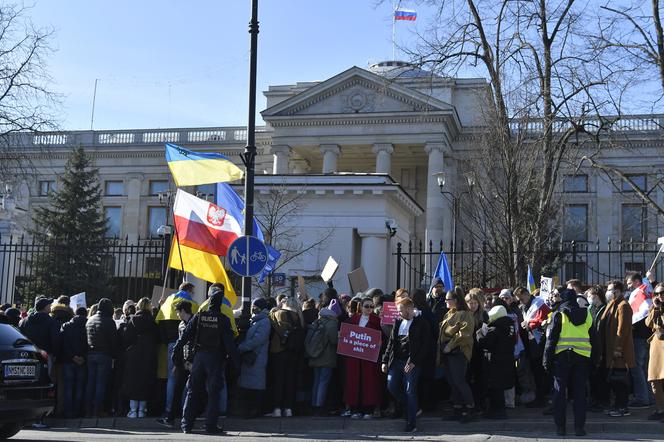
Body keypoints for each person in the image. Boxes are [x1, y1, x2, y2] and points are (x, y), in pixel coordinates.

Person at [174, 287, 238, 434]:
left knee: (192, 391)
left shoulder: (199, 316)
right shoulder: (223, 319)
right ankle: (210, 425)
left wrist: (177, 354)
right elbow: (230, 345)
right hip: (214, 359)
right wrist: (236, 363)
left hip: (199, 358)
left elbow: (185, 336)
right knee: (213, 393)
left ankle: (186, 425)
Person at [543, 289, 592, 437]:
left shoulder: (559, 314)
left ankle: (561, 428)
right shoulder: (587, 314)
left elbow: (551, 340)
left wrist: (547, 360)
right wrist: (595, 360)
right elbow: (594, 338)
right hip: (582, 357)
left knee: (559, 393)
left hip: (562, 357)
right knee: (579, 393)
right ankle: (579, 428)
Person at [383, 297, 431, 433]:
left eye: (401, 310)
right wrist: (385, 360)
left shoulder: (421, 322)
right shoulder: (397, 322)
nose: (399, 313)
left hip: (412, 362)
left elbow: (425, 345)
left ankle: (411, 422)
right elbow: (391, 342)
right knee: (391, 385)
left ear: (410, 308)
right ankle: (413, 408)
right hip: (396, 361)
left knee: (410, 390)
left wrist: (414, 362)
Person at [155, 282, 199, 421]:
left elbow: (159, 323)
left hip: (171, 345)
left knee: (172, 379)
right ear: (189, 291)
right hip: (187, 349)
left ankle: (169, 410)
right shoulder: (193, 305)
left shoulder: (168, 302)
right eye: (193, 292)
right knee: (187, 381)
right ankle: (184, 410)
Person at [438, 289, 475, 422]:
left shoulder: (465, 314)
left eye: (448, 299)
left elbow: (465, 334)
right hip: (447, 353)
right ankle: (458, 407)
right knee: (453, 382)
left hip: (458, 352)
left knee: (459, 381)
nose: (446, 301)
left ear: (456, 300)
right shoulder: (450, 313)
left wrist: (450, 346)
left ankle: (470, 408)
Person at [600, 280, 635, 417]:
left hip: (619, 351)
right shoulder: (612, 304)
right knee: (615, 380)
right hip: (610, 350)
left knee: (620, 380)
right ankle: (617, 405)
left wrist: (618, 348)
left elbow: (622, 330)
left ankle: (623, 407)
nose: (607, 292)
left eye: (610, 290)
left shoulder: (623, 306)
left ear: (617, 291)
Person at [344, 296, 382, 419]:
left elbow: (383, 337)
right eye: (366, 306)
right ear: (361, 307)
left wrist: (380, 342)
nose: (369, 309)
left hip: (369, 358)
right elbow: (346, 335)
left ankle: (368, 410)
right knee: (355, 382)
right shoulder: (353, 319)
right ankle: (355, 409)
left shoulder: (377, 321)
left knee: (369, 383)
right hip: (354, 357)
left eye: (372, 306)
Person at [120, 297, 158, 418]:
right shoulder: (153, 321)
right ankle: (142, 410)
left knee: (133, 381)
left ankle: (132, 410)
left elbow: (126, 338)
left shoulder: (133, 320)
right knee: (145, 381)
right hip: (149, 354)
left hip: (134, 354)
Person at [158, 300, 194, 427]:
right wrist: (177, 364)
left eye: (178, 312)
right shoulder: (181, 325)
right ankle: (172, 417)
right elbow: (180, 345)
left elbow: (194, 345)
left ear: (183, 311)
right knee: (178, 390)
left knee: (191, 390)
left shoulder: (194, 323)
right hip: (183, 363)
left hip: (191, 363)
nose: (177, 314)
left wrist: (190, 361)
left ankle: (185, 417)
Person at [268, 296, 305, 417]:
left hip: (279, 350)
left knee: (279, 380)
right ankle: (288, 409)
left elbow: (271, 318)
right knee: (290, 381)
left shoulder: (280, 313)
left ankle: (277, 409)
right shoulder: (299, 317)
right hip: (293, 352)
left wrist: (275, 308)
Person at [477, 305, 515, 419]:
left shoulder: (495, 329)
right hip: (506, 360)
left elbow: (485, 343)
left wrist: (479, 334)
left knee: (495, 387)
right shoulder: (510, 326)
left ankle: (497, 412)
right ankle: (499, 410)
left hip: (495, 361)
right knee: (500, 387)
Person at [515, 286, 551, 407]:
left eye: (521, 298)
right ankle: (538, 396)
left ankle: (541, 397)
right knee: (535, 371)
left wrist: (529, 324)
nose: (520, 301)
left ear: (526, 294)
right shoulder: (527, 305)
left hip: (538, 342)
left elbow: (545, 319)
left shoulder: (539, 304)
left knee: (539, 371)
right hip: (531, 342)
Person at [237, 298, 271, 418]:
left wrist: (242, 347)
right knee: (249, 384)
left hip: (257, 357)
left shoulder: (264, 321)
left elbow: (258, 340)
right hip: (251, 357)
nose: (253, 308)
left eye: (255, 306)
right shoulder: (255, 320)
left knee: (255, 385)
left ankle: (255, 410)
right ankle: (249, 409)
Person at [85, 298, 118, 417]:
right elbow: (114, 341)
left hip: (90, 354)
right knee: (101, 383)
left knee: (90, 383)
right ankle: (97, 410)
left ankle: (88, 410)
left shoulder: (90, 320)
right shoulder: (109, 321)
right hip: (104, 355)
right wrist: (114, 356)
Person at [626, 273, 655, 408]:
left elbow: (641, 314)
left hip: (640, 337)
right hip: (647, 337)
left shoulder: (642, 293)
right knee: (645, 369)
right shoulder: (644, 292)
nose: (628, 286)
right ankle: (650, 397)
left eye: (630, 283)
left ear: (637, 282)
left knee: (638, 368)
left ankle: (642, 398)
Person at [306, 300, 338, 414]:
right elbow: (334, 340)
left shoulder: (317, 321)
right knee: (323, 382)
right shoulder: (332, 323)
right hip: (327, 357)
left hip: (315, 355)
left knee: (316, 381)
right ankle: (319, 406)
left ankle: (314, 404)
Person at [58, 307, 88, 418]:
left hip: (68, 360)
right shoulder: (87, 325)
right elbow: (89, 343)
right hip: (83, 360)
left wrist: (72, 356)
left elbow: (63, 343)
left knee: (68, 387)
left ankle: (68, 411)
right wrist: (83, 357)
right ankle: (78, 411)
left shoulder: (66, 326)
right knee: (80, 387)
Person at [586, 286, 609, 411]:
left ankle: (602, 401)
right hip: (590, 347)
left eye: (591, 295)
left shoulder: (604, 309)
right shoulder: (590, 309)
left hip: (601, 347)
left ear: (597, 295)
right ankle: (594, 400)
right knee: (593, 377)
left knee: (601, 376)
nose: (589, 298)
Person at [465, 288, 488, 412]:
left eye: (475, 303)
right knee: (467, 377)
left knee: (480, 377)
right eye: (470, 303)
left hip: (479, 350)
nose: (472, 305)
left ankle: (481, 402)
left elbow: (486, 331)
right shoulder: (464, 315)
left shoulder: (483, 315)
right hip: (467, 349)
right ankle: (470, 402)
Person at [646, 283, 664, 420]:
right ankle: (660, 409)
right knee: (654, 380)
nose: (659, 296)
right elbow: (648, 323)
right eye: (656, 294)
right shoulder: (655, 308)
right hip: (656, 346)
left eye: (662, 293)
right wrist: (656, 309)